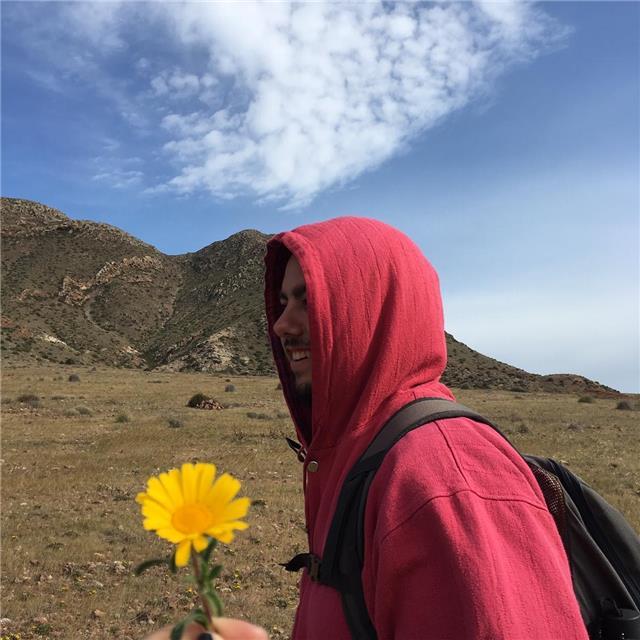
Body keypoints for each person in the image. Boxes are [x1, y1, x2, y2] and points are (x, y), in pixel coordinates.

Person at [151, 216, 589, 639]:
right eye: (282, 303)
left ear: (372, 312)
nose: (281, 324)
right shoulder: (363, 446)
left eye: (308, 299)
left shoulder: (444, 478)